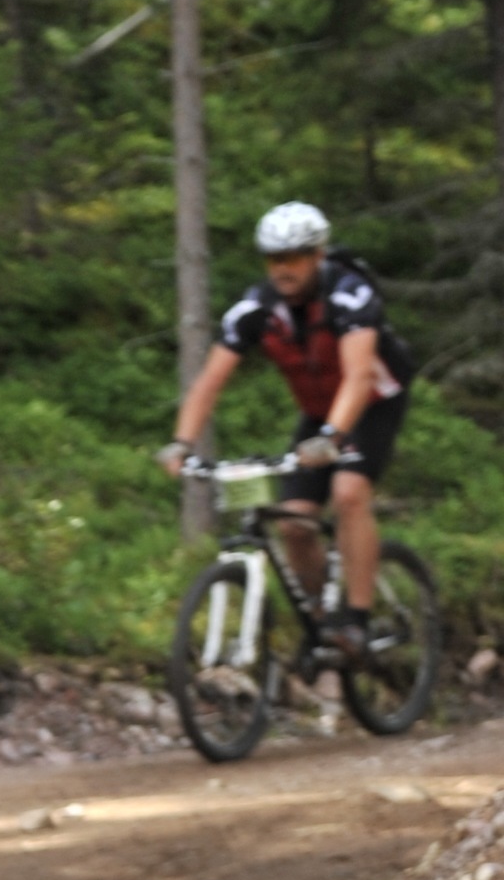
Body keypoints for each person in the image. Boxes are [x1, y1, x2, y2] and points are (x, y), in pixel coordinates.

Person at [165, 202, 416, 653]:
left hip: (372, 401)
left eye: (294, 257)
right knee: (294, 522)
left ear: (318, 254)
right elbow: (209, 381)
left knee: (348, 493)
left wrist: (333, 437)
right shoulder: (256, 309)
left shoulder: (349, 295)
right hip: (320, 412)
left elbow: (359, 376)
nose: (283, 268)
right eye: (273, 258)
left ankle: (357, 619)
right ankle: (321, 624)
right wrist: (181, 442)